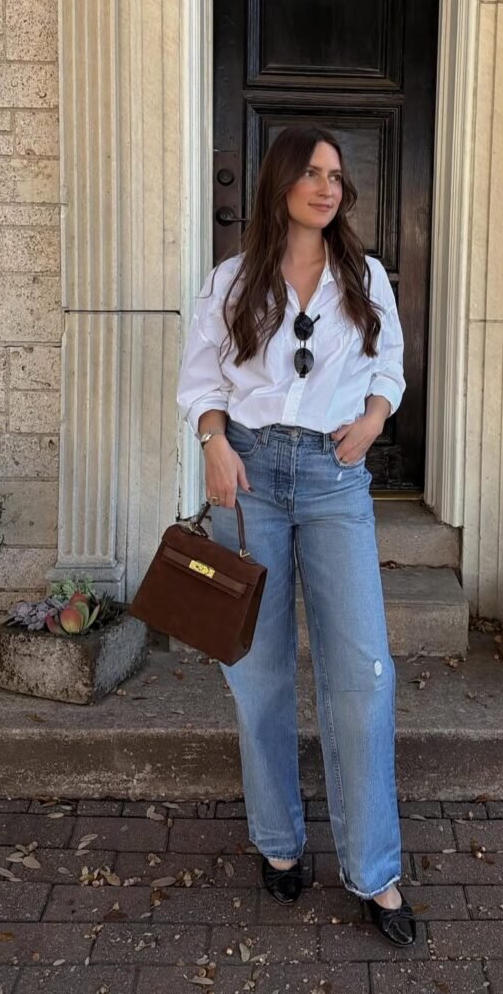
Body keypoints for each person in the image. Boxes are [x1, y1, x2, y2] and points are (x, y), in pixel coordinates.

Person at [177, 125, 414, 946]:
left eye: (336, 176)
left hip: (333, 478)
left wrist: (375, 418)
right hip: (247, 478)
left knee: (362, 672)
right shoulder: (231, 279)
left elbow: (388, 364)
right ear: (280, 182)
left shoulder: (364, 274)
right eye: (312, 173)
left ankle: (374, 871)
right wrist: (212, 442)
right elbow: (203, 377)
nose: (327, 187)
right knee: (258, 673)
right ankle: (279, 847)